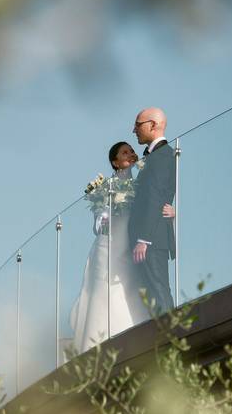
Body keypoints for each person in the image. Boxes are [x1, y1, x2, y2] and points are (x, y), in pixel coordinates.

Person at [69, 142, 174, 353]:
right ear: (115, 162)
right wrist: (107, 211)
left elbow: (153, 205)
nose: (131, 154)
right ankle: (99, 341)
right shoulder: (105, 187)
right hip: (110, 246)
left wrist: (171, 212)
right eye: (124, 152)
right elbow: (98, 225)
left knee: (133, 287)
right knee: (106, 288)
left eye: (131, 151)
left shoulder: (142, 184)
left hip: (133, 245)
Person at [129, 107, 176, 312]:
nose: (134, 130)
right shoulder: (154, 156)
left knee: (158, 291)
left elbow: (156, 196)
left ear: (153, 125)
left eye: (138, 125)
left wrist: (144, 239)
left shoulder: (163, 155)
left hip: (152, 240)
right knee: (150, 296)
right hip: (149, 238)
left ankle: (171, 337)